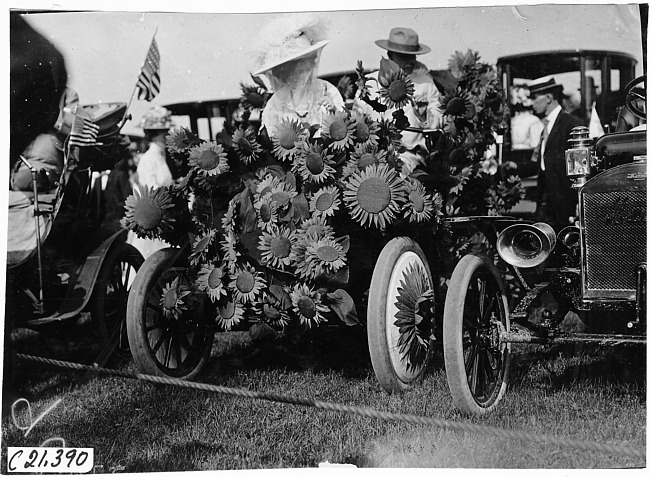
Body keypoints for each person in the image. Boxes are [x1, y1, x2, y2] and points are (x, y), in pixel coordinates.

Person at [353, 27, 443, 174]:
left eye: (413, 56)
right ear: (390, 55)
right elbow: (357, 120)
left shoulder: (425, 84)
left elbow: (438, 120)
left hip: (410, 157)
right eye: (404, 56)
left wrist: (424, 117)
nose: (410, 61)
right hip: (372, 154)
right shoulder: (370, 83)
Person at [250, 14, 345, 137]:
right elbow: (269, 143)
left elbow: (346, 130)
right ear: (284, 73)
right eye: (294, 69)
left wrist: (334, 112)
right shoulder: (275, 104)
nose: (301, 74)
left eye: (304, 65)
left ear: (311, 63)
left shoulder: (328, 91)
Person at [529, 77, 583, 232]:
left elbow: (580, 168)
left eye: (534, 98)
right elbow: (541, 163)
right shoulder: (546, 128)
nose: (531, 103)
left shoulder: (572, 124)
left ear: (548, 98)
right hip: (547, 201)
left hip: (565, 204)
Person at [128, 106, 174, 258]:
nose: (167, 135)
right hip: (155, 218)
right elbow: (150, 189)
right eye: (164, 132)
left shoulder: (160, 157)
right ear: (155, 135)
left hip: (166, 215)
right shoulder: (148, 158)